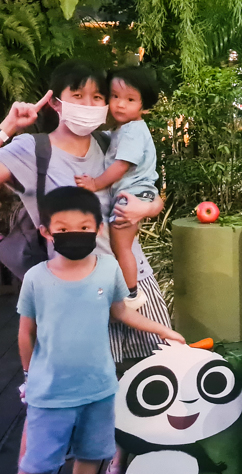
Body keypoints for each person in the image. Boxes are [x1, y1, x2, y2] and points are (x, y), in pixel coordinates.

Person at [0, 60, 170, 474]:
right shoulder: (33, 150)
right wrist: (7, 127)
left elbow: (154, 192)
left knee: (138, 380)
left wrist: (147, 209)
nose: (89, 105)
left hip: (132, 283)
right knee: (49, 398)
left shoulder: (113, 143)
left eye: (97, 97)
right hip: (71, 293)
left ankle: (117, 469)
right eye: (78, 95)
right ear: (56, 101)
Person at [0, 187, 184, 474]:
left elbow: (121, 312)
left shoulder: (108, 269)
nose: (74, 234)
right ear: (47, 231)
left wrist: (163, 330)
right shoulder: (37, 279)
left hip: (98, 388)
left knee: (91, 455)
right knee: (35, 464)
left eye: (84, 227)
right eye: (63, 228)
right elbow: (26, 332)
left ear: (98, 229)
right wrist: (28, 376)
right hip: (50, 392)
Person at [75, 66, 159, 310]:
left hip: (132, 194)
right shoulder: (123, 130)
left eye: (130, 99)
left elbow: (121, 165)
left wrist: (95, 183)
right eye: (115, 96)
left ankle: (131, 294)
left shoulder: (133, 131)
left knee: (121, 247)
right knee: (122, 246)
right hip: (136, 193)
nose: (120, 104)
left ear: (144, 106)